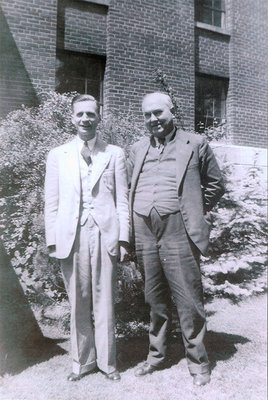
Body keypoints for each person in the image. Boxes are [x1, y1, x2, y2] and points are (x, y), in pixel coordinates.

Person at [127, 92, 225, 386]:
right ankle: (156, 356)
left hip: (178, 230)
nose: (153, 119)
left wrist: (191, 209)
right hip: (145, 229)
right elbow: (130, 185)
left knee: (188, 298)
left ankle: (198, 363)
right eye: (147, 115)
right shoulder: (136, 148)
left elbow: (216, 184)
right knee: (154, 297)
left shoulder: (195, 143)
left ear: (174, 112)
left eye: (158, 112)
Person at [44, 94, 129, 382]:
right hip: (72, 235)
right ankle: (82, 363)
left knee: (104, 299)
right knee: (78, 301)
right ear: (72, 118)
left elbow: (122, 201)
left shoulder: (114, 153)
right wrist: (53, 241)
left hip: (105, 234)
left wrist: (123, 238)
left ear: (98, 118)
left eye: (91, 114)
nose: (85, 119)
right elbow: (51, 202)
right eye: (80, 114)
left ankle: (108, 364)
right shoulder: (58, 155)